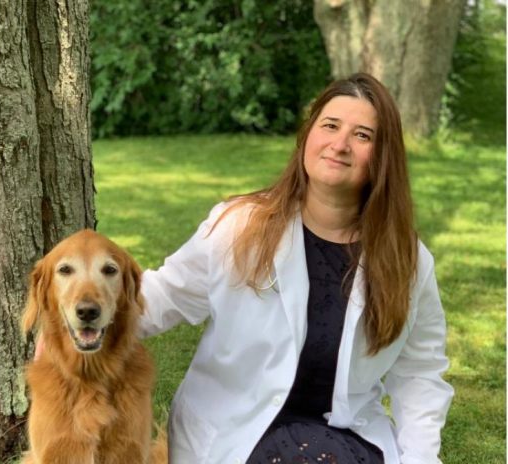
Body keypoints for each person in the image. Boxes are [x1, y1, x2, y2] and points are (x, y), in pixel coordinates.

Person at [34, 73, 453, 464]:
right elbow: (162, 297)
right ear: (307, 135)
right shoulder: (238, 226)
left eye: (362, 135)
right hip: (241, 431)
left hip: (344, 434)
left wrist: (420, 459)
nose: (339, 144)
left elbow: (421, 374)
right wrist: (63, 330)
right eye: (329, 126)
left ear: (383, 157)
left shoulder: (408, 261)